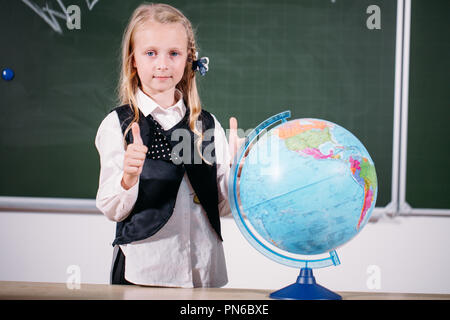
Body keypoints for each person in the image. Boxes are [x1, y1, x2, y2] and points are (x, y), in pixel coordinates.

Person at [95, 3, 242, 288]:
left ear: (189, 58)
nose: (162, 64)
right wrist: (128, 178)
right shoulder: (119, 125)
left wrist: (239, 177)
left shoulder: (206, 125)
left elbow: (222, 206)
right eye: (151, 53)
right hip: (144, 273)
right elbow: (112, 208)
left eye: (174, 53)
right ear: (133, 59)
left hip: (203, 272)